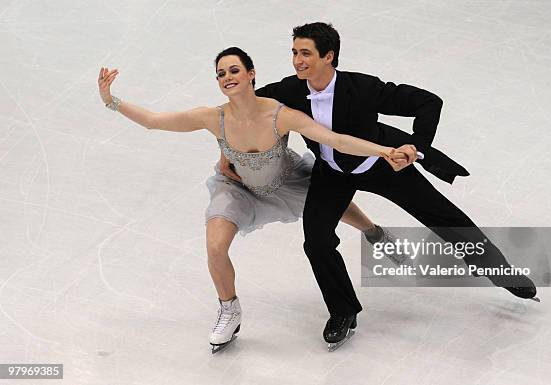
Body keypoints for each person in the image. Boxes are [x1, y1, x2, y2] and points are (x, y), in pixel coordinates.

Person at [218, 22, 539, 351]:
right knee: (316, 241)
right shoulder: (289, 91)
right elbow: (247, 111)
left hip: (382, 164)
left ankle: (502, 271)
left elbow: (428, 102)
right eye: (294, 53)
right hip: (332, 173)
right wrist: (228, 152)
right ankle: (343, 312)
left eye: (305, 53)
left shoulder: (362, 88)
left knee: (445, 217)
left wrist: (416, 146)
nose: (298, 60)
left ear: (329, 56)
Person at [97, 47, 411, 353]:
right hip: (236, 188)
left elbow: (336, 140)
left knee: (332, 201)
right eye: (221, 73)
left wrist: (382, 151)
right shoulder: (212, 117)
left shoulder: (280, 114)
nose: (227, 77)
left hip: (287, 180)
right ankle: (229, 310)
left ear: (251, 74)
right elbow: (154, 121)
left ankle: (375, 234)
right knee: (215, 246)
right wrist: (111, 101)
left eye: (234, 70)